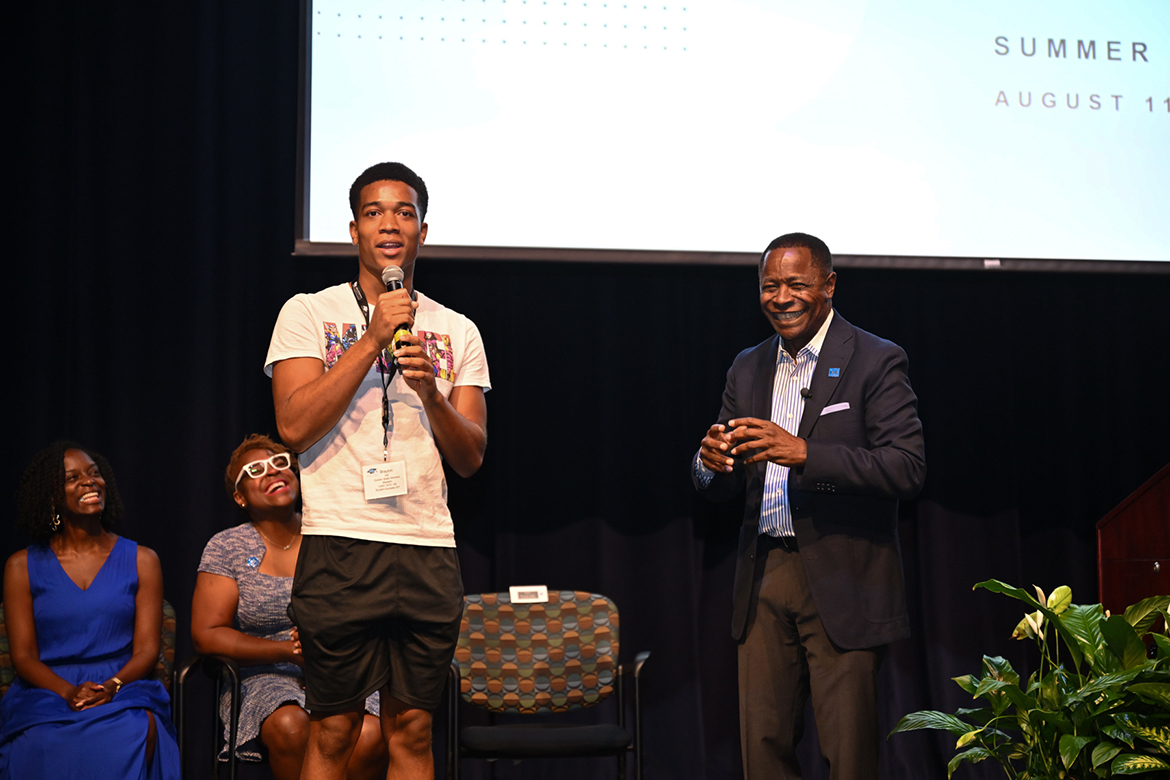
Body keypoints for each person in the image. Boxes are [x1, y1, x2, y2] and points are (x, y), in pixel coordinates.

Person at [266, 162, 490, 780]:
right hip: (341, 541)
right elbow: (294, 424)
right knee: (334, 728)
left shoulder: (456, 330)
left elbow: (470, 457)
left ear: (422, 231)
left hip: (425, 545)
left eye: (404, 212)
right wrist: (370, 341)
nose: (389, 223)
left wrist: (432, 392)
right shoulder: (308, 313)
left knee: (414, 730)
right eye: (374, 212)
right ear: (353, 230)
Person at [693, 233, 926, 779]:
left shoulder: (875, 359)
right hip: (765, 573)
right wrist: (710, 463)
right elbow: (720, 482)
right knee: (763, 748)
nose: (782, 297)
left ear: (828, 286)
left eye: (796, 284)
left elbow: (906, 467)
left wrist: (805, 453)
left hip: (844, 577)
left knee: (848, 754)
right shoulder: (747, 368)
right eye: (770, 286)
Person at [190, 434, 388, 779]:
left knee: (369, 735)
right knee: (292, 725)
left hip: (341, 667)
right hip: (263, 674)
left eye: (280, 463)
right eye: (255, 470)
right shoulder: (228, 547)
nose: (272, 472)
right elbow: (207, 635)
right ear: (239, 496)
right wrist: (285, 650)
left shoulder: (331, 533)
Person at [0, 441, 181, 779]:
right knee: (37, 741)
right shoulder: (20, 566)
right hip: (47, 689)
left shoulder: (143, 560)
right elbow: (23, 657)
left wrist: (111, 685)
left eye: (94, 473)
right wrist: (68, 691)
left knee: (135, 731)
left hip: (122, 685)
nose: (89, 481)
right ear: (52, 496)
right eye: (72, 477)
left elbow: (146, 649)